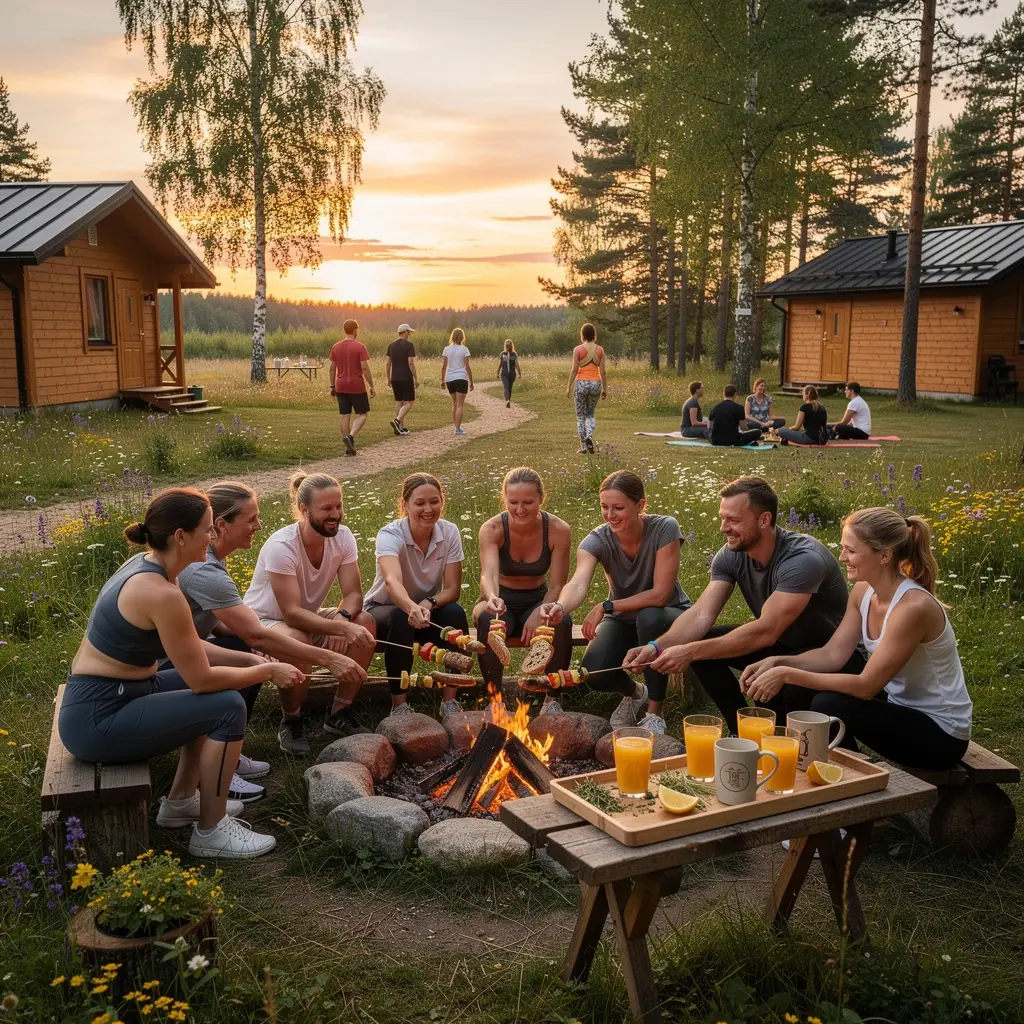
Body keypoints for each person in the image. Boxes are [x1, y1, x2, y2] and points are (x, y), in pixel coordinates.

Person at [59, 488, 304, 859]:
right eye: (207, 530)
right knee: (226, 706)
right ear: (181, 536)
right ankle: (211, 831)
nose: (212, 537)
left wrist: (251, 662)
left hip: (121, 692)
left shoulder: (153, 568)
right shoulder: (161, 591)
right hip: (98, 717)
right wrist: (268, 669)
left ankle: (180, 803)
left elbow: (190, 646)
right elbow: (201, 679)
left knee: (223, 693)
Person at [623, 475, 864, 735]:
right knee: (701, 648)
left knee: (784, 703)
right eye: (723, 518)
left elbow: (765, 631)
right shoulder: (731, 554)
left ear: (764, 519)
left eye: (734, 520)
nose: (723, 528)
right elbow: (702, 614)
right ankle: (741, 730)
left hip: (831, 654)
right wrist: (657, 647)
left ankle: (781, 739)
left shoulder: (802, 559)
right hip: (781, 646)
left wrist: (691, 651)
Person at [740, 508, 971, 770]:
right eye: (843, 548)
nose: (842, 557)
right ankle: (808, 763)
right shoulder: (863, 592)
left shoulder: (912, 608)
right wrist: (776, 662)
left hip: (941, 733)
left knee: (828, 703)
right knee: (800, 690)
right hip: (901, 708)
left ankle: (847, 775)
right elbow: (832, 655)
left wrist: (786, 673)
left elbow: (866, 686)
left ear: (884, 555)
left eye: (851, 551)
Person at [178, 481, 372, 765]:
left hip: (184, 648)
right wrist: (331, 657)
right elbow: (261, 633)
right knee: (257, 656)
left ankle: (227, 752)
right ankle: (226, 755)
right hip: (166, 661)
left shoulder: (211, 560)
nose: (258, 525)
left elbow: (212, 620)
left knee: (250, 654)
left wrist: (343, 620)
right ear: (221, 525)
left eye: (338, 506)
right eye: (252, 519)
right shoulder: (205, 568)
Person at [539, 471, 691, 734]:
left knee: (649, 616)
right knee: (594, 671)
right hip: (622, 618)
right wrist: (561, 606)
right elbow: (578, 583)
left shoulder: (665, 528)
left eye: (618, 507)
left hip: (669, 615)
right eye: (604, 507)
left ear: (640, 505)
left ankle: (656, 713)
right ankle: (635, 693)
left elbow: (660, 594)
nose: (610, 515)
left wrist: (607, 606)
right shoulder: (597, 539)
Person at [242, 472, 377, 756]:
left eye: (338, 506)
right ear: (304, 510)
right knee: (298, 637)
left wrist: (342, 619)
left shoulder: (343, 537)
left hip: (304, 617)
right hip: (263, 622)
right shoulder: (282, 547)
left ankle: (339, 712)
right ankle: (291, 720)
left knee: (364, 622)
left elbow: (354, 595)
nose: (336, 514)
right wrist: (338, 629)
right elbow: (290, 614)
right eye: (327, 509)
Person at [364, 473, 470, 719]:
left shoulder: (449, 532)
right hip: (383, 610)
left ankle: (449, 701)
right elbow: (392, 581)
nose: (428, 509)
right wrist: (411, 606)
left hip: (424, 610)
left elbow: (452, 589)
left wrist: (428, 603)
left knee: (455, 613)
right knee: (401, 618)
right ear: (405, 505)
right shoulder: (390, 534)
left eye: (434, 501)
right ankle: (399, 706)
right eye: (420, 503)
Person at [475, 467, 573, 715]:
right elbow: (488, 574)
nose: (520, 510)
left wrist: (542, 610)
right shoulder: (493, 529)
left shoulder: (558, 529)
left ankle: (552, 700)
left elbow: (558, 585)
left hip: (538, 597)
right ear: (504, 499)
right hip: (501, 598)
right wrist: (492, 598)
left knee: (562, 621)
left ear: (541, 498)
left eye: (528, 502)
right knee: (488, 620)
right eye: (513, 502)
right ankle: (494, 701)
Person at [329, 318, 375, 456]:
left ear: (344, 330)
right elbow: (365, 368)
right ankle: (350, 437)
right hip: (356, 385)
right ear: (355, 330)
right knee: (362, 413)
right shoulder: (360, 347)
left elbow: (332, 369)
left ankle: (349, 447)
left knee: (345, 415)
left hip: (340, 384)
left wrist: (332, 386)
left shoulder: (335, 347)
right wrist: (371, 385)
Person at [566, 323, 607, 454]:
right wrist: (604, 389)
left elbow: (574, 369)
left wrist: (568, 386)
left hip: (581, 384)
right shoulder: (600, 350)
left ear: (582, 334)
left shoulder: (577, 350)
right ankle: (589, 435)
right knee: (590, 414)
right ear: (594, 334)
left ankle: (583, 447)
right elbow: (603, 372)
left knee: (580, 416)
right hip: (595, 383)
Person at [386, 324, 419, 436]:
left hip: (395, 377)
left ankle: (399, 428)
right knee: (409, 402)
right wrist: (415, 378)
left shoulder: (391, 346)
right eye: (408, 332)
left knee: (399, 402)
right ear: (404, 332)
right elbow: (410, 362)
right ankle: (397, 420)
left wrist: (388, 378)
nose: (409, 334)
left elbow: (388, 363)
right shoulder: (409, 345)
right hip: (406, 377)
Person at [441, 327, 474, 435]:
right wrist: (471, 381)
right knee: (460, 405)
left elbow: (444, 366)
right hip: (461, 377)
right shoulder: (464, 349)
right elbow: (467, 367)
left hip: (449, 378)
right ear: (462, 337)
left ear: (452, 337)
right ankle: (458, 429)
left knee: (454, 403)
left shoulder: (446, 349)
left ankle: (455, 426)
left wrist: (442, 380)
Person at [497, 339, 522, 408]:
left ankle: (507, 400)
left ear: (505, 345)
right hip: (512, 373)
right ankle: (508, 401)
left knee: (506, 387)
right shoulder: (514, 354)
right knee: (510, 388)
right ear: (512, 345)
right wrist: (519, 373)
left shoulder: (502, 354)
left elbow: (500, 364)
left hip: (504, 373)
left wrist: (497, 372)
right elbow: (517, 365)